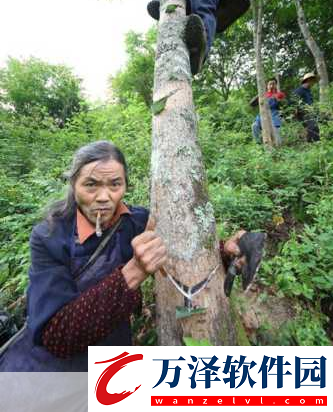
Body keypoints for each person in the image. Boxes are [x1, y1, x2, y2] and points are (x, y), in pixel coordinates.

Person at [0, 140, 262, 372]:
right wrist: (134, 272)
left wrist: (224, 250)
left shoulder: (136, 222)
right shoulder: (49, 237)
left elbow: (179, 249)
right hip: (49, 373)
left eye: (115, 184)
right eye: (91, 184)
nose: (104, 197)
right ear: (73, 184)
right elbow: (56, 336)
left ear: (125, 184)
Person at [252, 79, 286, 145]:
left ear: (276, 85)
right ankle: (259, 144)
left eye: (273, 84)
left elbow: (285, 105)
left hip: (274, 114)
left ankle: (278, 146)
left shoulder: (280, 94)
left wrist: (279, 101)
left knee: (276, 129)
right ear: (267, 86)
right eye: (270, 84)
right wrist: (259, 95)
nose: (271, 86)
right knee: (254, 126)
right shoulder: (263, 94)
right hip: (263, 114)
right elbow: (252, 104)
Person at [292, 72, 320, 142]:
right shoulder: (299, 91)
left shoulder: (308, 91)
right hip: (303, 113)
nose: (314, 83)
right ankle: (314, 145)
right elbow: (293, 102)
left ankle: (314, 144)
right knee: (313, 127)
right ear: (309, 80)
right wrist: (295, 113)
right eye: (313, 81)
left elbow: (310, 102)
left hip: (311, 112)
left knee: (327, 119)